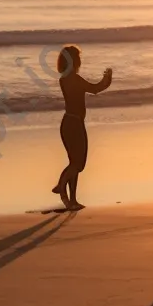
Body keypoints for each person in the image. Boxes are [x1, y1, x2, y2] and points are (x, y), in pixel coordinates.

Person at [52, 45, 112, 210]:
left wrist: (107, 81)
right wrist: (108, 79)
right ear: (74, 60)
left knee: (74, 163)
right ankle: (61, 184)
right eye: (78, 58)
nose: (80, 61)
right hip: (74, 124)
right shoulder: (74, 79)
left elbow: (95, 89)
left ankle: (72, 200)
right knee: (78, 164)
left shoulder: (64, 79)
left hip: (68, 123)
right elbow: (95, 89)